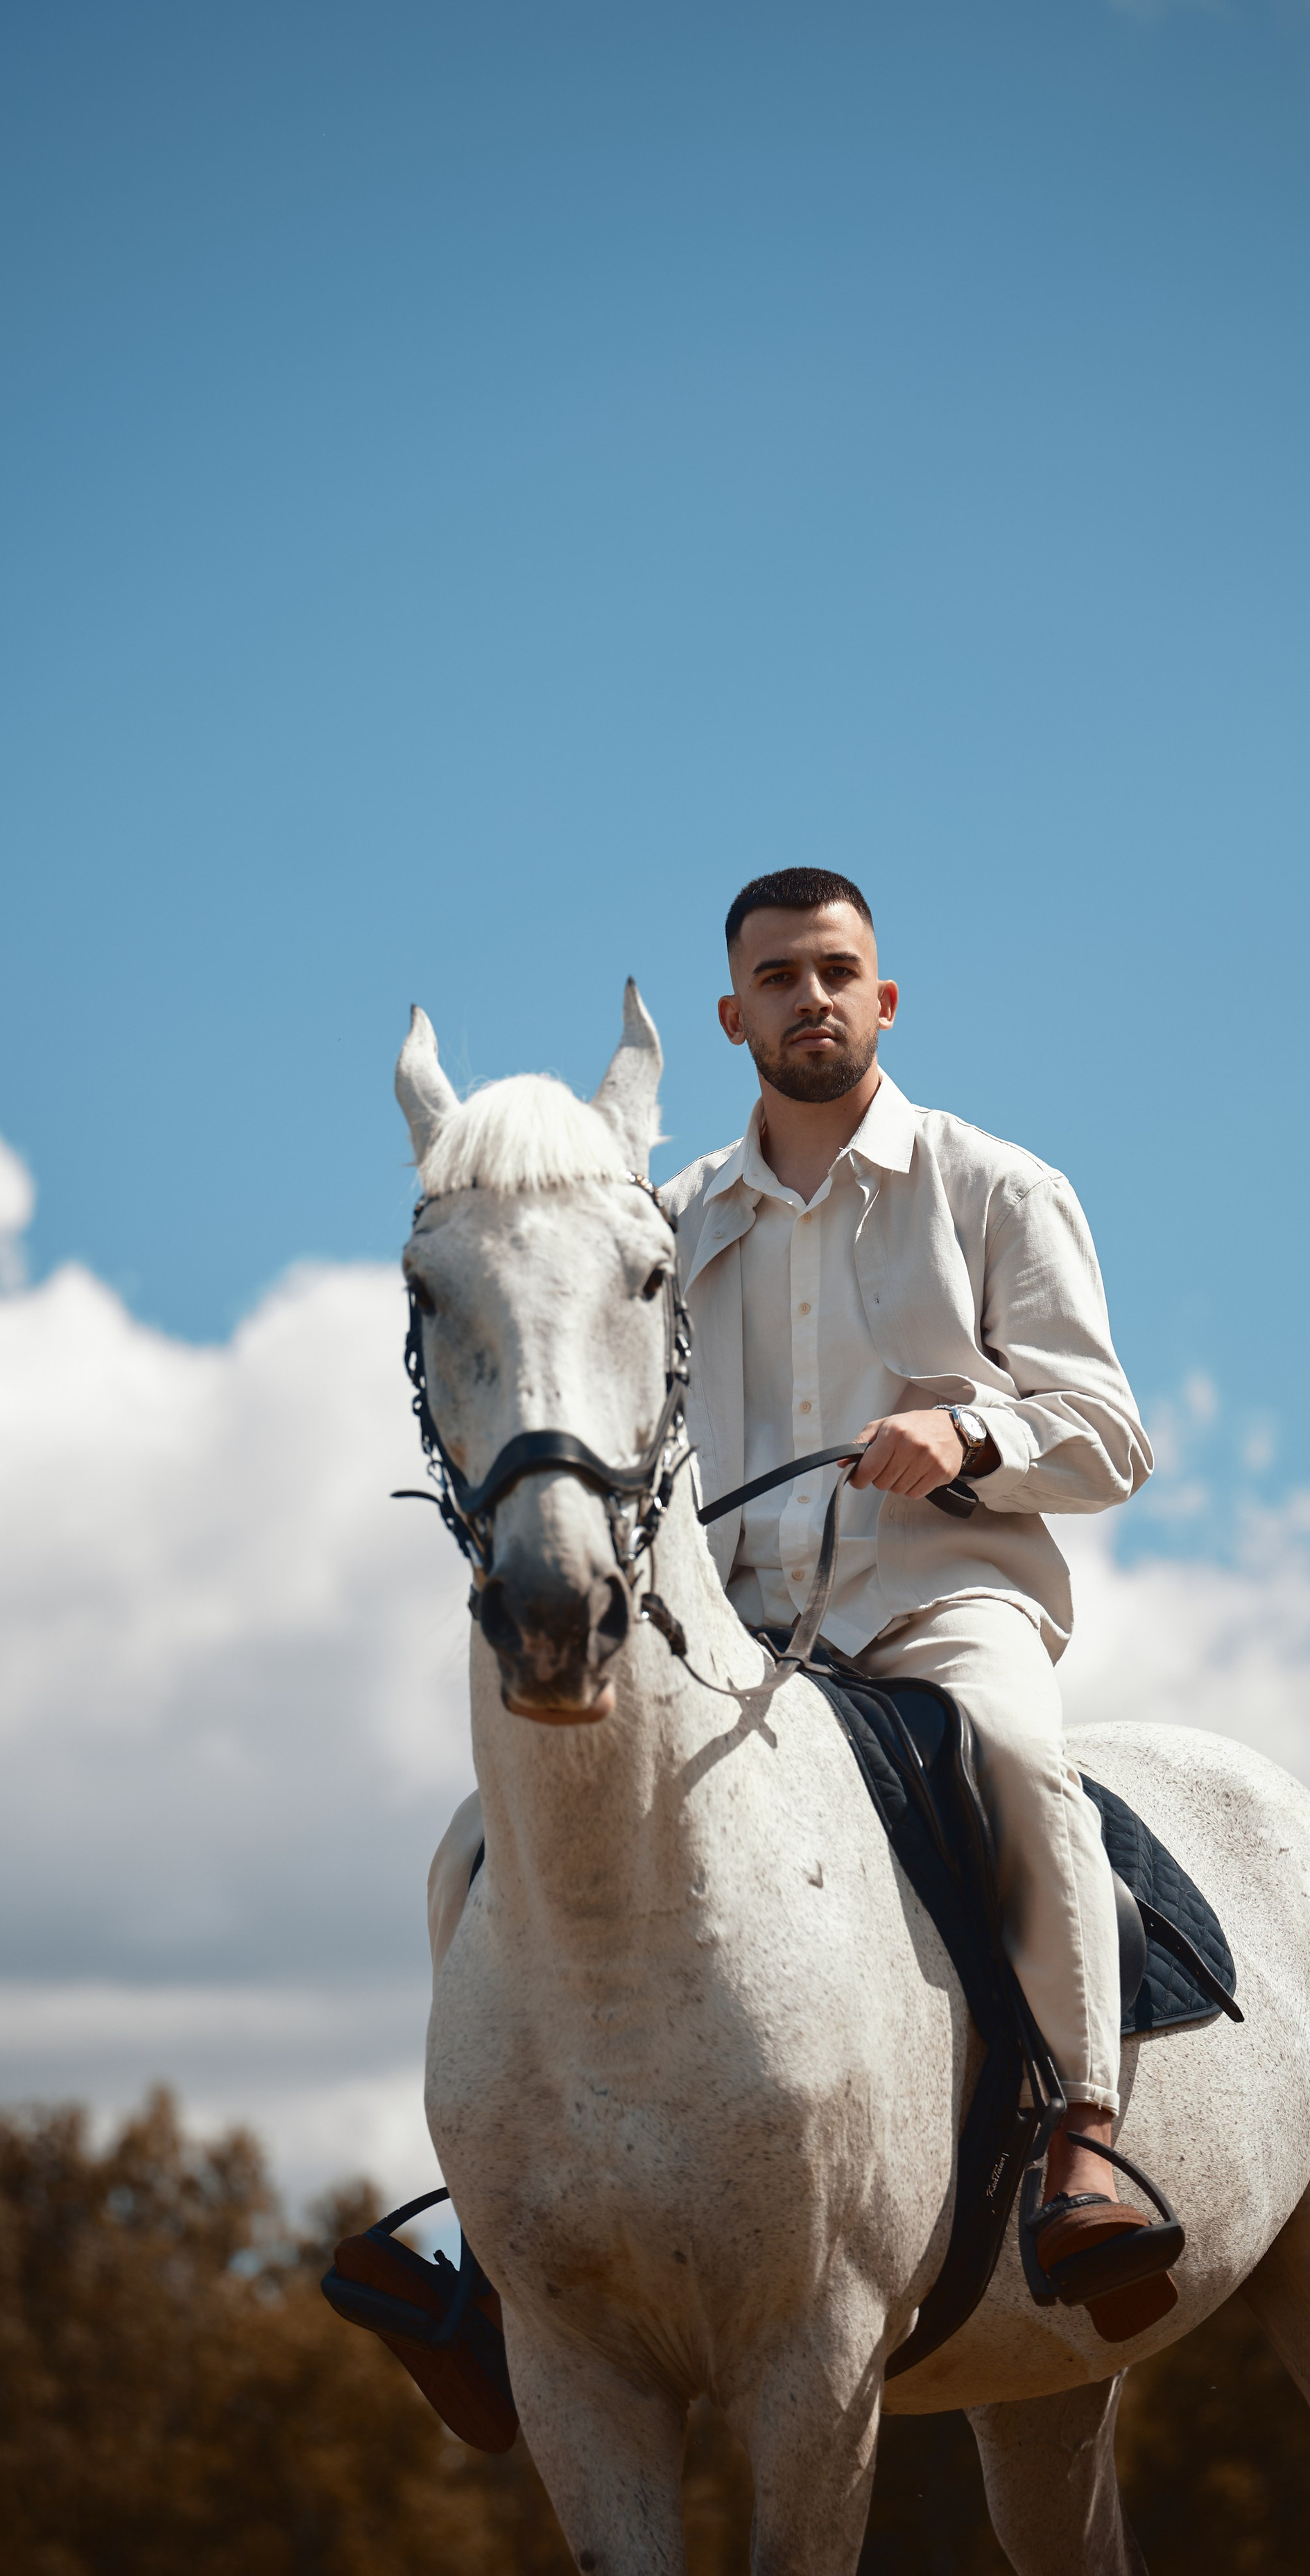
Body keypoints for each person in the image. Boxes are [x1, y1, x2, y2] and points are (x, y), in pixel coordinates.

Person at [418, 863, 1161, 2353]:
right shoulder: (668, 1217)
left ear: (880, 998)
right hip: (737, 1639)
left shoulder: (996, 1186)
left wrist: (968, 1439)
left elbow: (1108, 1434)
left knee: (1017, 1765)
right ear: (731, 1014)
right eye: (777, 977)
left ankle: (1085, 2138)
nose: (807, 997)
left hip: (939, 1603)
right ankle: (492, 2233)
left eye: (834, 971)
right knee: (472, 1849)